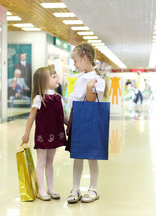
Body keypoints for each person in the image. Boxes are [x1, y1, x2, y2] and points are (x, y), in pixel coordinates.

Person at [65, 43, 106, 204]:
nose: (74, 64)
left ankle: (93, 188)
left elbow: (90, 101)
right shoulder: (81, 78)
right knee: (78, 156)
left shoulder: (97, 80)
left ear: (84, 58)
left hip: (90, 122)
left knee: (91, 156)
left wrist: (90, 87)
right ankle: (75, 187)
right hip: (78, 121)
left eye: (75, 61)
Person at [21, 65, 68, 201]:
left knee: (50, 162)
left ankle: (51, 188)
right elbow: (31, 117)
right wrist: (26, 133)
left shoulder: (58, 98)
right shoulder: (39, 98)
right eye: (53, 77)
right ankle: (41, 189)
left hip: (54, 134)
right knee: (41, 162)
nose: (57, 78)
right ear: (43, 81)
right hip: (42, 136)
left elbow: (62, 117)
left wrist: (71, 125)